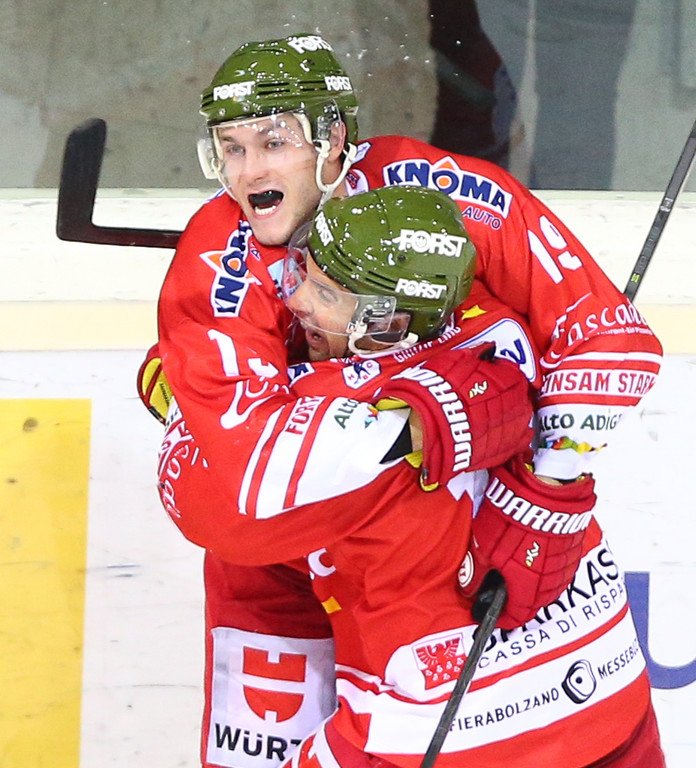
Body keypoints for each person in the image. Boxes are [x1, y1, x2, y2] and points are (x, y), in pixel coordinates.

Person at [139, 32, 665, 768]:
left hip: (482, 658)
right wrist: (437, 411)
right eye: (231, 148)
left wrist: (548, 491)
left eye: (274, 141)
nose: (249, 170)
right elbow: (245, 479)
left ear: (334, 139)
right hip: (334, 579)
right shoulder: (220, 257)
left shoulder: (442, 194)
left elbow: (609, 337)